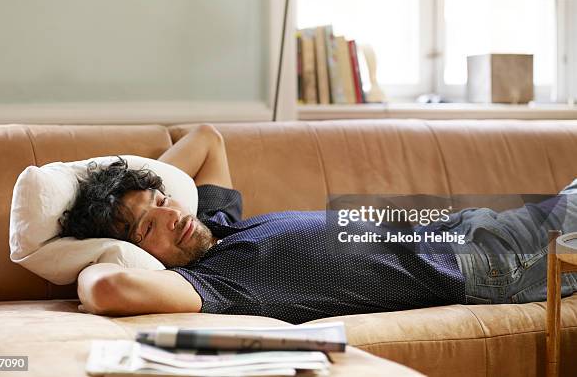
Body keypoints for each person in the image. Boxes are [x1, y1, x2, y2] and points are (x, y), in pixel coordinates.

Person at [62, 124, 577, 322]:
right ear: (139, 253)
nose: (169, 216)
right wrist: (98, 250)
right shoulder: (213, 282)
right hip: (487, 263)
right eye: (146, 228)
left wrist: (128, 185)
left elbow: (207, 138)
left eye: (161, 199)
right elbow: (109, 289)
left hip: (470, 228)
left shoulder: (217, 224)